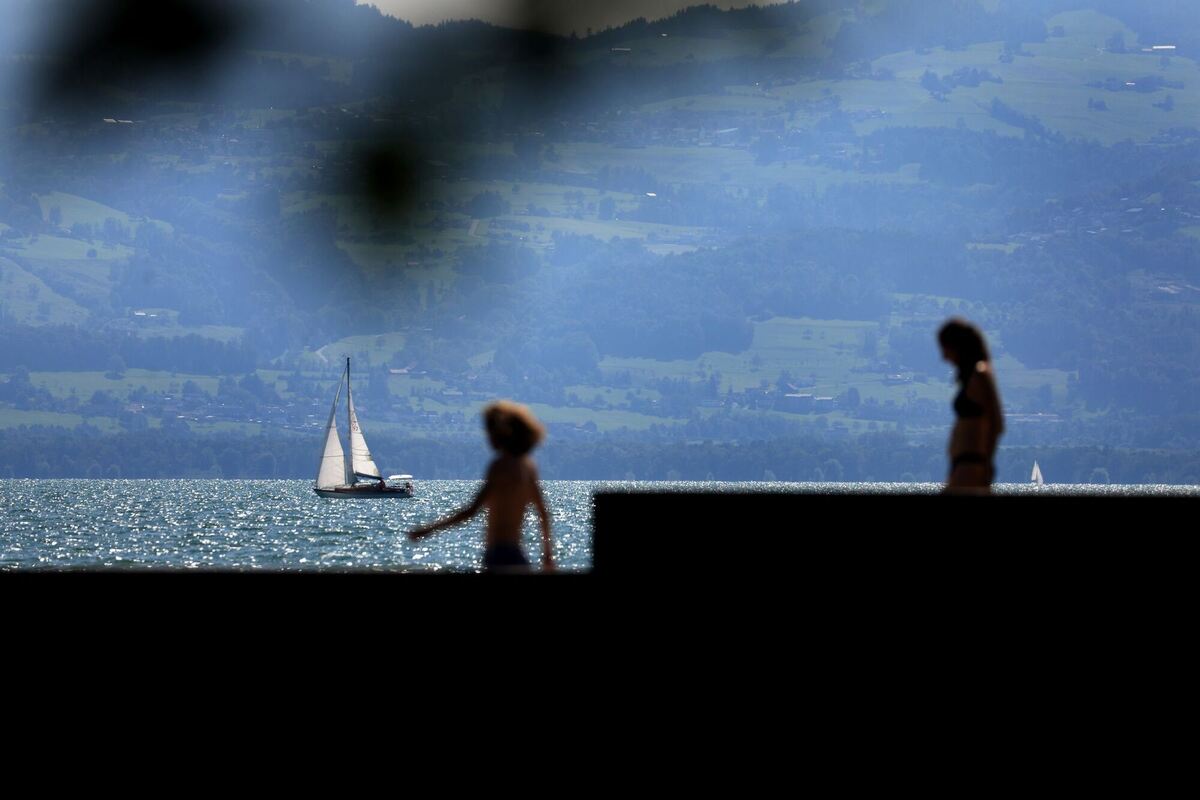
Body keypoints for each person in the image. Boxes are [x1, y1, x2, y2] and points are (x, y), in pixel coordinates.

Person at [408, 400, 554, 572]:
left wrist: (428, 530)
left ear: (501, 433)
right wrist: (547, 554)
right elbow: (543, 512)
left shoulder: (499, 467)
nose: (487, 437)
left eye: (489, 431)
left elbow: (471, 510)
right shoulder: (528, 467)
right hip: (517, 555)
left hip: (497, 555)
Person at [938, 318, 1004, 493]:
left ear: (958, 346)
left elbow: (996, 423)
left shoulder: (980, 375)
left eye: (945, 348)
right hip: (961, 465)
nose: (944, 356)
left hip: (972, 465)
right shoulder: (970, 378)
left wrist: (986, 464)